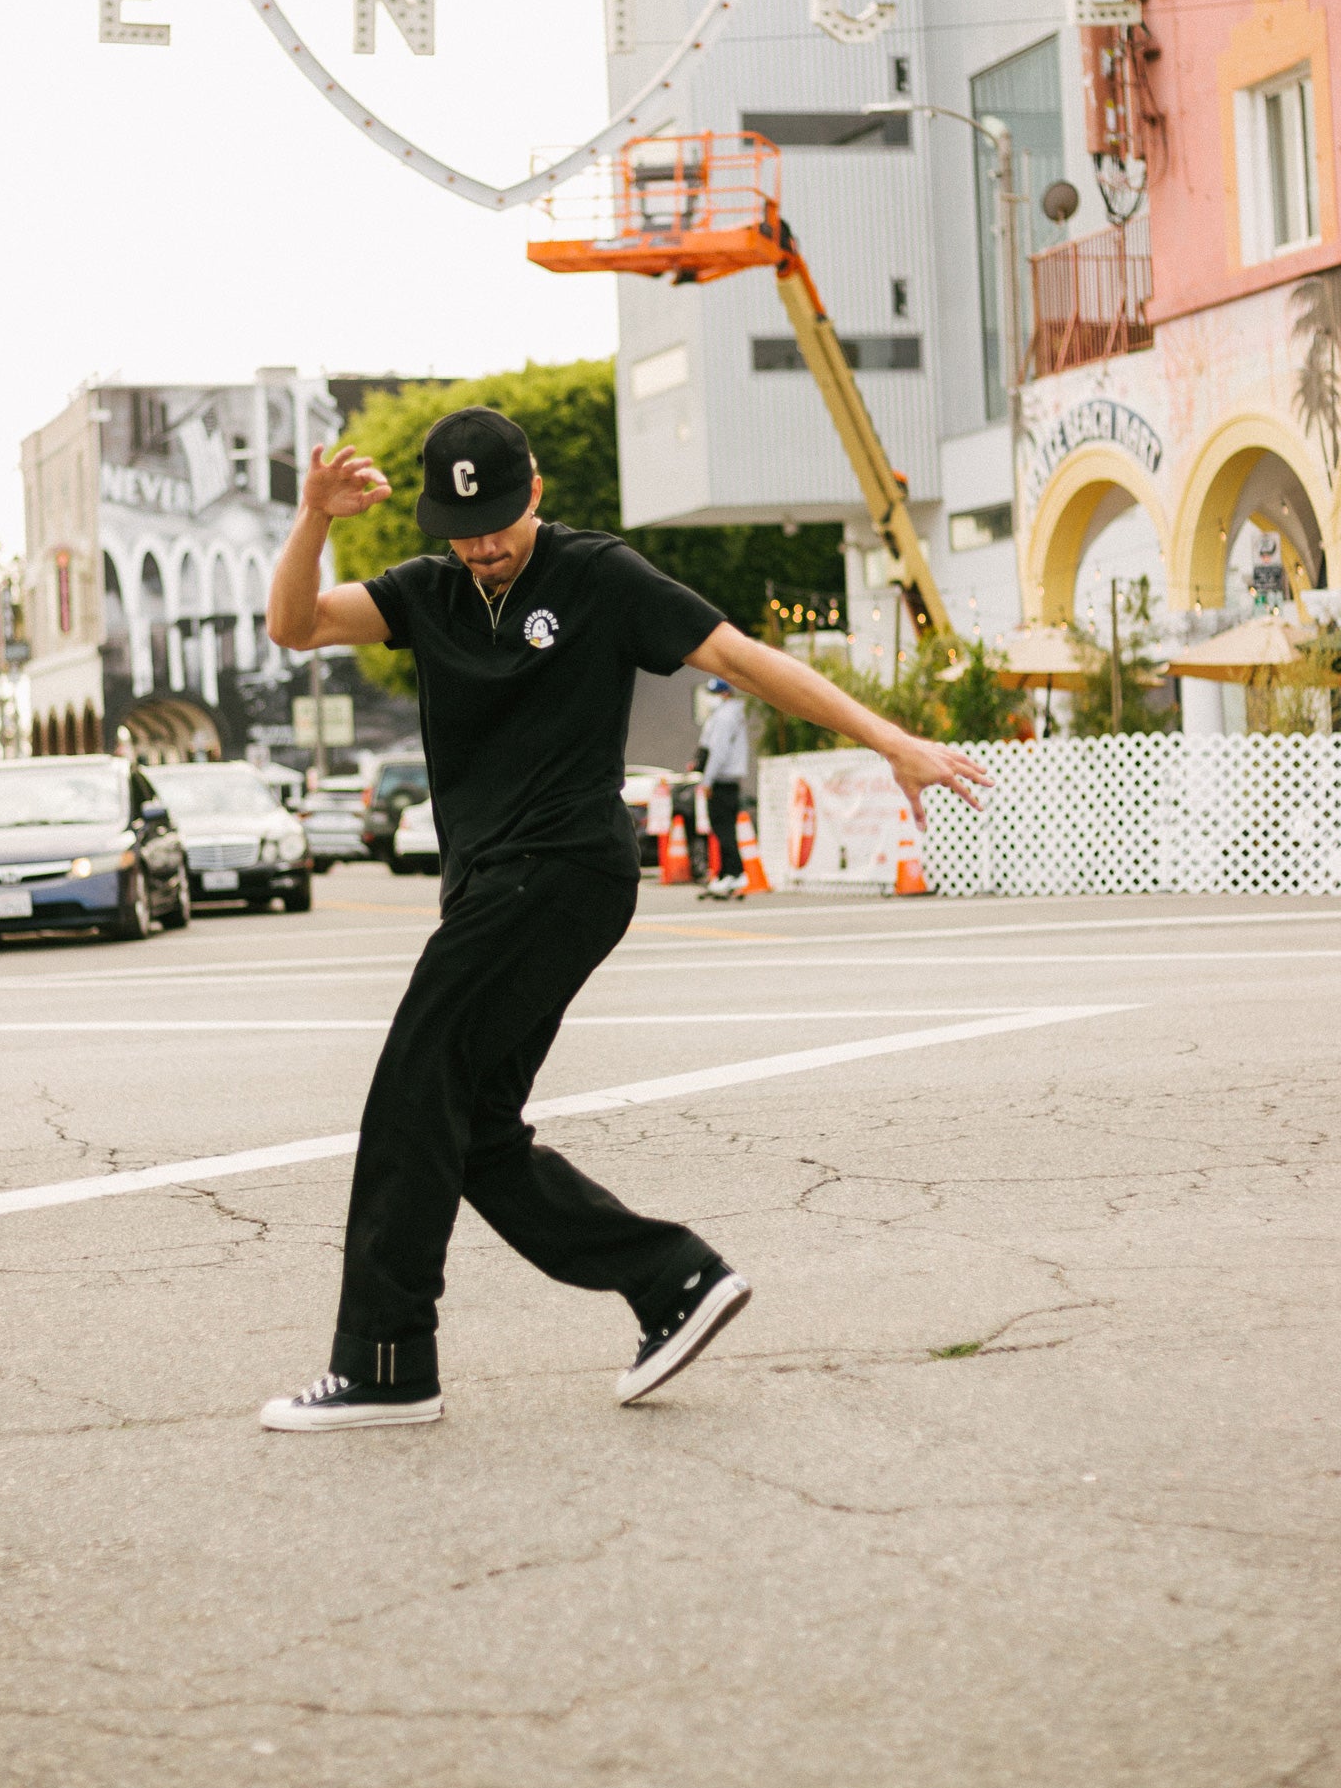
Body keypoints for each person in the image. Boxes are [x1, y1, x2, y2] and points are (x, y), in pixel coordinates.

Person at [260, 406, 989, 1431]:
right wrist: (312, 522)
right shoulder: (426, 596)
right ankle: (673, 1281)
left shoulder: (597, 577)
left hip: (559, 870)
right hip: (490, 889)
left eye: (501, 519)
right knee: (472, 1137)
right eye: (464, 526)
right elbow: (294, 626)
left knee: (410, 1094)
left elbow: (739, 659)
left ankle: (386, 1362)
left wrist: (888, 738)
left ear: (535, 494)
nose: (483, 542)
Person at [694, 677, 749, 900]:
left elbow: (718, 752)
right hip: (728, 780)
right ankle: (726, 873)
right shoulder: (730, 715)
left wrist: (707, 781)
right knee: (724, 828)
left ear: (725, 694)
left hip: (721, 781)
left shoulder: (725, 717)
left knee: (723, 828)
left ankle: (735, 872)